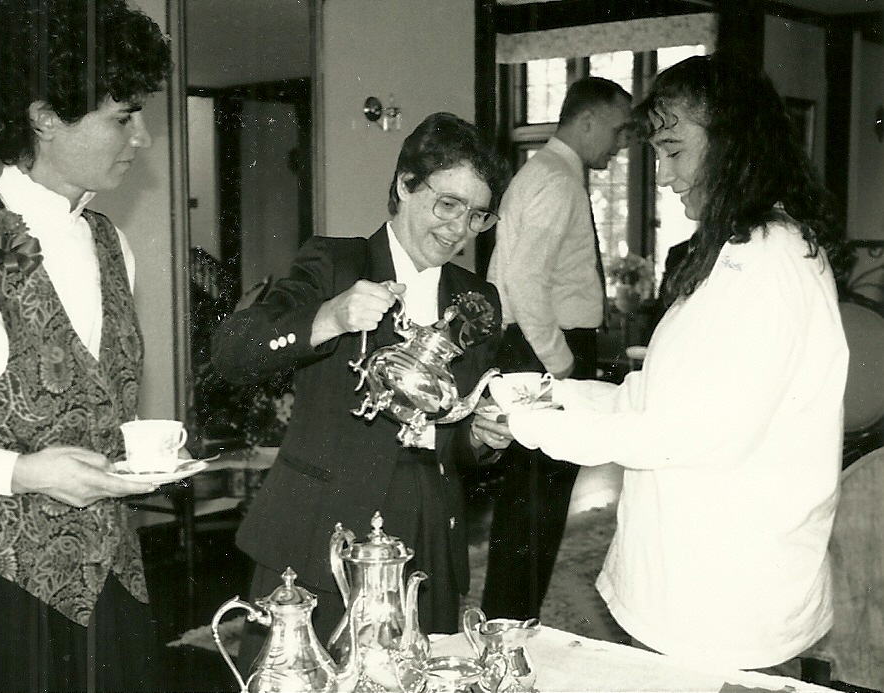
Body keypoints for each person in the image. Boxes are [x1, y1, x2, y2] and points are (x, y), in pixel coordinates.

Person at [477, 54, 848, 674]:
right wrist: (554, 395)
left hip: (727, 599)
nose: (667, 177)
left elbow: (686, 431)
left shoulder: (766, 264)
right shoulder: (740, 250)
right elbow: (661, 392)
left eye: (675, 151)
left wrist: (538, 422)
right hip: (696, 576)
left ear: (733, 144)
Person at [0, 1, 171, 690]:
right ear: (45, 118)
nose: (143, 137)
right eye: (124, 116)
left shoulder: (111, 244)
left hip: (115, 594)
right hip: (0, 604)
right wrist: (24, 472)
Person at [212, 112, 511, 672]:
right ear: (404, 184)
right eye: (448, 204)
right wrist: (327, 318)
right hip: (323, 534)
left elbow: (459, 443)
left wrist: (484, 436)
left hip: (429, 538)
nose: (459, 230)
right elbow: (232, 354)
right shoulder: (334, 262)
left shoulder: (478, 298)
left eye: (477, 215)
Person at [482, 77, 632, 620]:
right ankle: (511, 628)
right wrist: (562, 365)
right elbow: (523, 281)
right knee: (534, 508)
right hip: (543, 353)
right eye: (617, 130)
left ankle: (514, 622)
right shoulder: (554, 179)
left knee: (535, 507)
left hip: (540, 348)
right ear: (587, 121)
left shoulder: (554, 174)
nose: (619, 145)